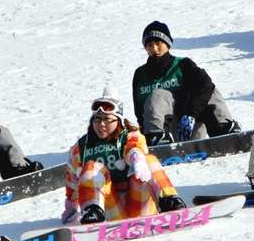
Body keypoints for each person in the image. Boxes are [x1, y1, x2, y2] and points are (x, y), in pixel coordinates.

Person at [62, 91, 185, 224]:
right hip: (111, 211)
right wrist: (71, 209)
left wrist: (137, 158)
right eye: (97, 119)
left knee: (148, 160)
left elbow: (134, 147)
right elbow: (72, 180)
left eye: (107, 119)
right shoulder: (81, 148)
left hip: (138, 204)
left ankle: (170, 201)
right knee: (91, 167)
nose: (101, 124)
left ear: (118, 120)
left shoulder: (129, 136)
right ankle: (93, 212)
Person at [132, 22, 242, 146]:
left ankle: (224, 131)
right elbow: (139, 111)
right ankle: (157, 138)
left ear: (167, 44)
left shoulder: (183, 65)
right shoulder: (140, 74)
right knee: (158, 96)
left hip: (191, 127)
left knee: (210, 92)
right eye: (150, 45)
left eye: (158, 43)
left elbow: (206, 86)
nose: (155, 49)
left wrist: (190, 114)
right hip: (164, 133)